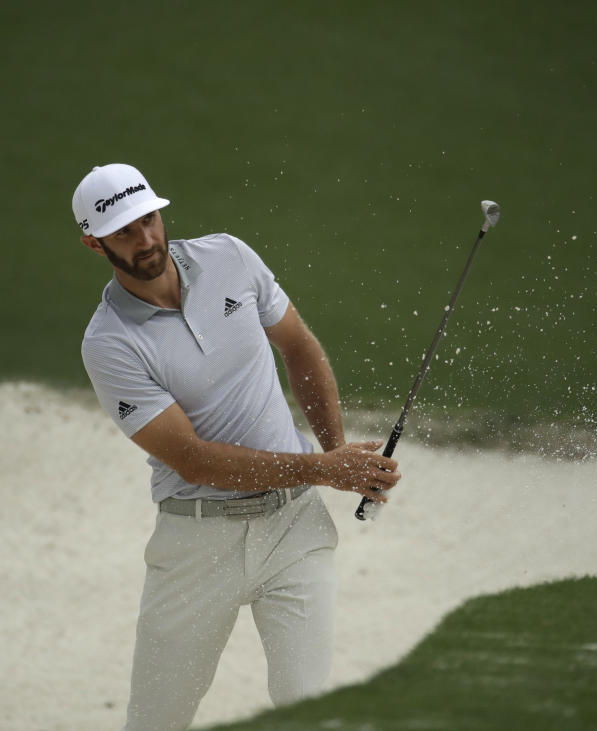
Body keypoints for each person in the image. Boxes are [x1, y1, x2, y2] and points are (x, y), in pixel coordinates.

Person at [73, 163, 401, 731]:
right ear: (94, 243)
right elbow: (192, 459)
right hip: (198, 543)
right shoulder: (109, 343)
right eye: (124, 231)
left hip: (294, 529)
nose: (146, 239)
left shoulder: (230, 256)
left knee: (308, 709)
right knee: (157, 720)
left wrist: (342, 456)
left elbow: (299, 347)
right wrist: (327, 468)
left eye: (149, 219)